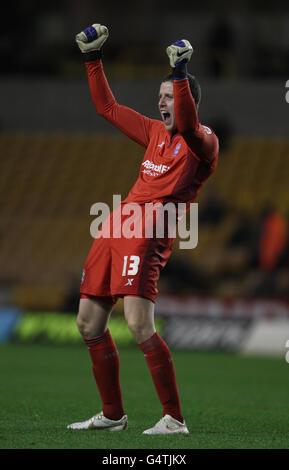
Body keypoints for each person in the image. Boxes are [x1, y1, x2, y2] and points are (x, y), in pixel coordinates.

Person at [67, 23, 219, 435]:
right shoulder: (153, 131)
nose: (162, 104)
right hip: (118, 224)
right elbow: (108, 109)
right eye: (160, 98)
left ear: (188, 100)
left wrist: (180, 73)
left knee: (138, 324)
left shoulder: (203, 142)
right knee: (88, 323)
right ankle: (113, 415)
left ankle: (174, 418)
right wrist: (92, 59)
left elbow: (187, 125)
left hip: (149, 230)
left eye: (169, 97)